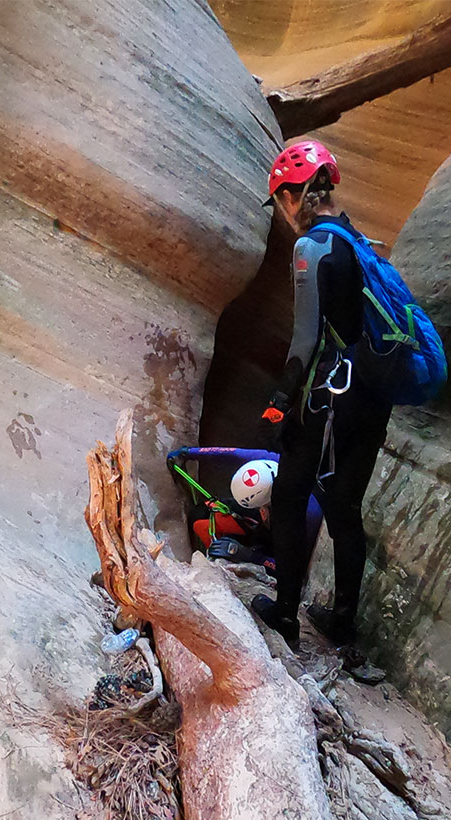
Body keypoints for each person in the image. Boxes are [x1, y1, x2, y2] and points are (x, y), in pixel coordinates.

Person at [251, 140, 393, 647]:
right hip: (372, 399)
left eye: (282, 200)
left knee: (289, 494)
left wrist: (279, 401)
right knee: (346, 512)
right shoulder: (359, 241)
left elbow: (307, 338)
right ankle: (343, 626)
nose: (284, 213)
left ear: (295, 195)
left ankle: (285, 613)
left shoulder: (311, 248)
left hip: (328, 399)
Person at [166, 446, 323, 573]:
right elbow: (233, 454)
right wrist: (190, 453)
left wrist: (248, 555)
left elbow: (291, 568)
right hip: (271, 517)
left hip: (279, 542)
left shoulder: (304, 518)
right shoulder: (270, 463)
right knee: (202, 514)